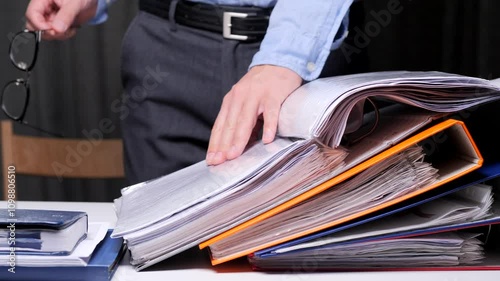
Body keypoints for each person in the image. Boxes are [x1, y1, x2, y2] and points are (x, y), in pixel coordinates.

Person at [25, 0, 354, 185]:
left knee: (299, 246)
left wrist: (287, 58)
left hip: (304, 62)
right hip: (165, 54)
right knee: (162, 251)